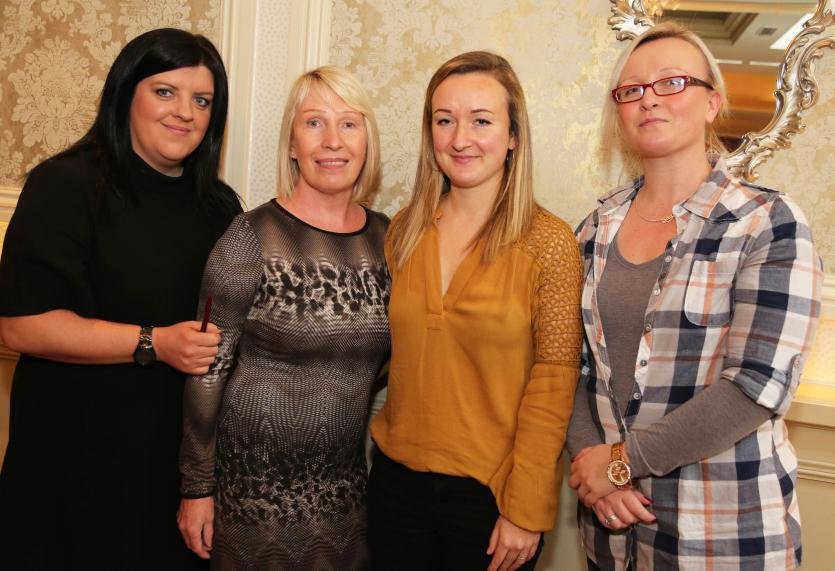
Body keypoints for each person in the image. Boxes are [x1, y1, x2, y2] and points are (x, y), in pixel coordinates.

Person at [567, 22, 822, 571]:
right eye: (631, 90)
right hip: (614, 533)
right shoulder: (592, 229)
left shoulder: (768, 223)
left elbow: (755, 386)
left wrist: (617, 464)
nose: (649, 98)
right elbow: (573, 370)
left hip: (725, 534)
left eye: (672, 82)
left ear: (713, 102)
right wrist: (597, 474)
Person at [0, 28, 241, 569]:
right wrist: (155, 343)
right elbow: (20, 326)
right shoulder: (64, 186)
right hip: (74, 460)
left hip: (172, 468)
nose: (184, 112)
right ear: (125, 92)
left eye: (202, 100)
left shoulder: (220, 208)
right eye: (164, 92)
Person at [368, 51, 584, 571]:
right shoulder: (403, 230)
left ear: (513, 136)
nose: (460, 138)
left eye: (481, 121)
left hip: (492, 498)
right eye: (445, 121)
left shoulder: (548, 242)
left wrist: (526, 509)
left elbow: (553, 384)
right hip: (395, 485)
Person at [176, 66, 390, 570]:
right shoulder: (248, 238)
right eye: (314, 123)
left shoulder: (390, 240)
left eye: (349, 124)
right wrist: (196, 489)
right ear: (292, 143)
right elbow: (206, 372)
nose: (332, 141)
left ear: (367, 140)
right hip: (251, 497)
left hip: (343, 495)